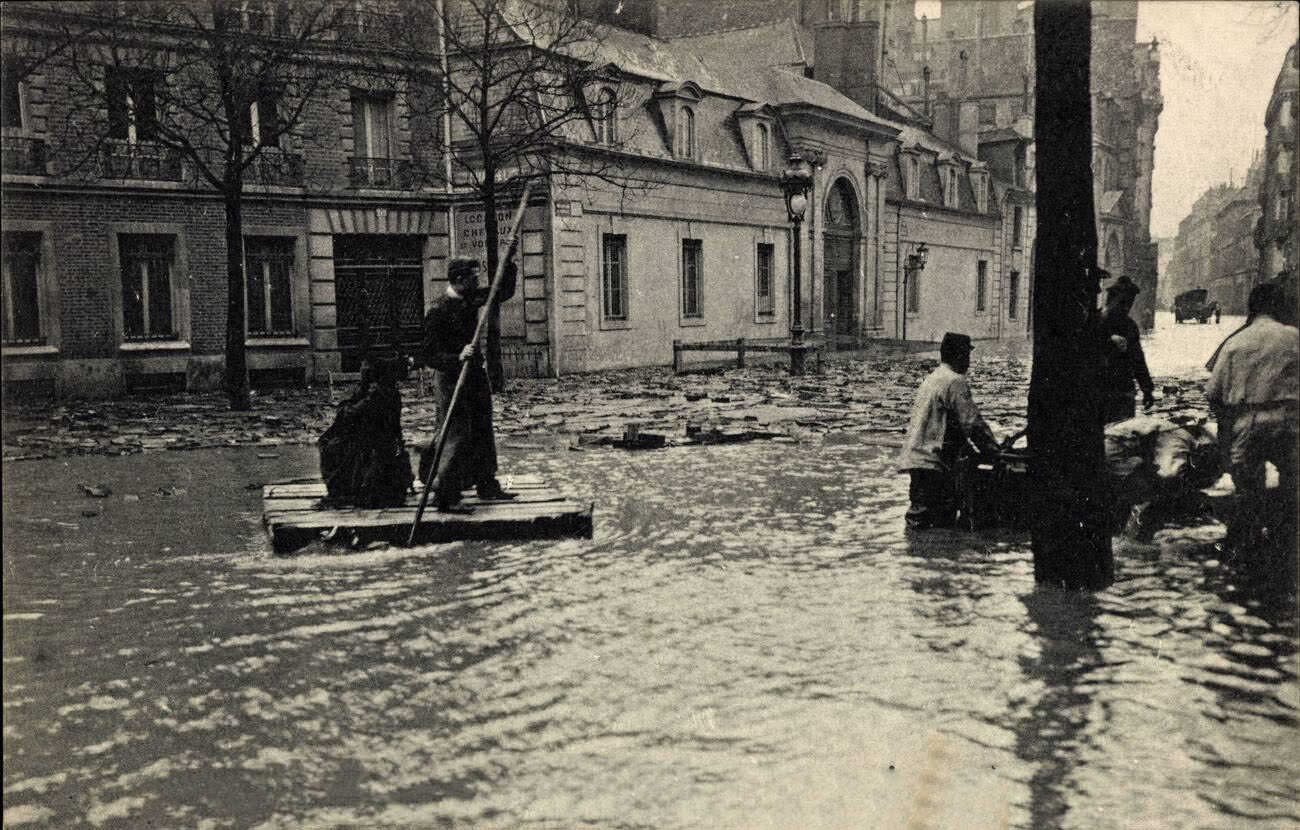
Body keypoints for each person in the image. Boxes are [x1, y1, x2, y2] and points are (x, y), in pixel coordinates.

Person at [418, 254, 518, 512]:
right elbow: (429, 355)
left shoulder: (470, 298)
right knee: (456, 434)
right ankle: (446, 496)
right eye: (474, 278)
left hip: (474, 376)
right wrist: (457, 357)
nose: (478, 282)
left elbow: (501, 291)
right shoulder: (437, 311)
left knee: (483, 428)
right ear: (459, 280)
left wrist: (508, 262)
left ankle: (487, 485)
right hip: (451, 378)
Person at [1204, 282, 1299, 551]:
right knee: (1292, 479)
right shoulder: (1294, 336)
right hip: (1292, 419)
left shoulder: (1235, 343)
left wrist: (1227, 436)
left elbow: (1214, 394)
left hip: (1250, 421)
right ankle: (1285, 534)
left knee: (1247, 485)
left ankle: (1246, 542)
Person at [899, 332, 1001, 529]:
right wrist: (995, 451)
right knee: (942, 523)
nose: (969, 363)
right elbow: (972, 423)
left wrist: (972, 451)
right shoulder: (955, 381)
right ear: (960, 356)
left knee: (920, 522)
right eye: (968, 357)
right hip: (936, 465)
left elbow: (951, 426)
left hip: (918, 461)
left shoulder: (932, 378)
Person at [318, 354, 413, 508]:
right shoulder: (381, 390)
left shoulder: (379, 393)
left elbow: (353, 413)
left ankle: (345, 489)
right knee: (333, 442)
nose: (362, 372)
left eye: (366, 370)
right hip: (373, 444)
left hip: (374, 448)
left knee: (332, 446)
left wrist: (348, 408)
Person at [1099, 274, 1156, 424]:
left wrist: (1147, 389)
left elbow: (1138, 359)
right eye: (1123, 302)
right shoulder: (1098, 322)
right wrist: (1109, 341)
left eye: (1129, 303)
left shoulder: (1129, 326)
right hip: (1102, 389)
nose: (1126, 307)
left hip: (1122, 389)